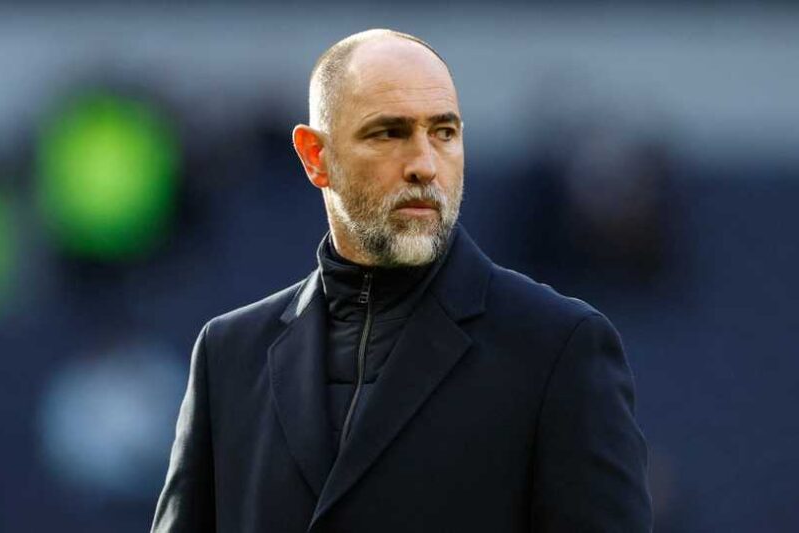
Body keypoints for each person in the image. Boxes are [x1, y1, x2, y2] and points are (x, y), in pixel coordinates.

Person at [151, 29, 652, 532]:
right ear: (315, 156)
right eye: (388, 134)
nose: (424, 166)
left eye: (444, 133)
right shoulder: (229, 354)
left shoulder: (556, 347)